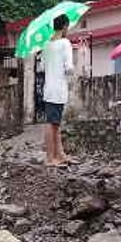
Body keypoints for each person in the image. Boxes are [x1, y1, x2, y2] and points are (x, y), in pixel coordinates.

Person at [40, 14, 75, 167]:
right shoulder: (65, 43)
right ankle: (50, 157)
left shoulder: (46, 45)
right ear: (65, 26)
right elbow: (69, 68)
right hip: (59, 89)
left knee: (55, 123)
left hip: (49, 88)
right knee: (51, 123)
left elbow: (41, 67)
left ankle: (60, 154)